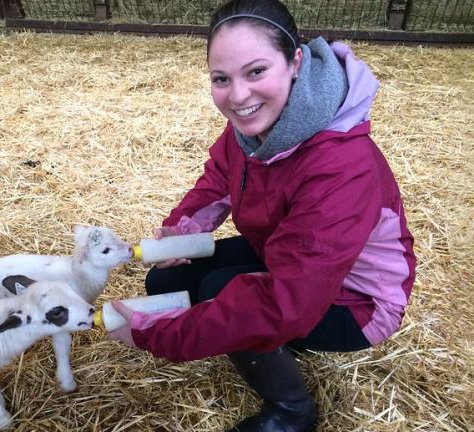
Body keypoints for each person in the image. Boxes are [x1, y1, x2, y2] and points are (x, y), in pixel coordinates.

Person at [107, 1, 417, 431]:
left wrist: (158, 337)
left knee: (225, 293)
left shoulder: (342, 165)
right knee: (166, 280)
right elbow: (219, 177)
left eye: (256, 72)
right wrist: (185, 226)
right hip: (286, 256)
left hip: (358, 299)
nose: (237, 96)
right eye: (221, 78)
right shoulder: (255, 127)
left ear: (295, 61)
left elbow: (284, 302)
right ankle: (271, 344)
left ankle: (292, 413)